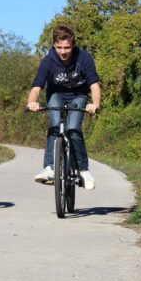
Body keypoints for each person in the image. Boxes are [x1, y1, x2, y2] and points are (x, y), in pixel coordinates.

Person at [27, 23, 101, 190]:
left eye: (66, 47)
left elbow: (94, 85)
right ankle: (50, 168)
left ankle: (83, 170)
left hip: (78, 95)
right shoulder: (49, 61)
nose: (63, 52)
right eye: (59, 47)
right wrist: (31, 102)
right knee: (55, 125)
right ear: (54, 45)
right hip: (56, 95)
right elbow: (37, 86)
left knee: (73, 128)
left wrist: (94, 104)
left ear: (72, 45)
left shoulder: (84, 58)